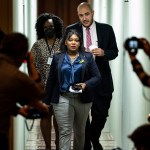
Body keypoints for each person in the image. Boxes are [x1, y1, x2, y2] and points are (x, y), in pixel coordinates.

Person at [65, 2, 119, 150]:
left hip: (102, 80)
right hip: (80, 80)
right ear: (78, 16)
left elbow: (114, 51)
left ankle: (93, 137)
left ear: (93, 13)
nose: (84, 18)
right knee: (82, 118)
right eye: (81, 15)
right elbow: (64, 54)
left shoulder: (106, 29)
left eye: (87, 14)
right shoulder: (71, 30)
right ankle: (87, 145)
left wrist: (104, 53)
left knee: (101, 114)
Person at [44, 29, 101, 150]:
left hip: (83, 100)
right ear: (65, 42)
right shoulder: (57, 57)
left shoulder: (87, 57)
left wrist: (86, 84)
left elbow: (97, 77)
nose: (73, 42)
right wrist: (46, 102)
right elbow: (51, 80)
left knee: (80, 132)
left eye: (76, 40)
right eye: (70, 40)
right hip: (62, 98)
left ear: (80, 43)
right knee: (65, 132)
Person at [0, 32, 48, 150]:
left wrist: (17, 110)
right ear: (23, 55)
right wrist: (31, 65)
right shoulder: (16, 76)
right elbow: (40, 93)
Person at [30, 13, 63, 150]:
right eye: (45, 27)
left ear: (56, 27)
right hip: (43, 87)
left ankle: (58, 144)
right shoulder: (37, 45)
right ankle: (48, 146)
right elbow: (32, 65)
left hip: (60, 86)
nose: (49, 28)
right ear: (41, 29)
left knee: (58, 117)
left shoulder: (63, 43)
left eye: (51, 26)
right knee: (45, 116)